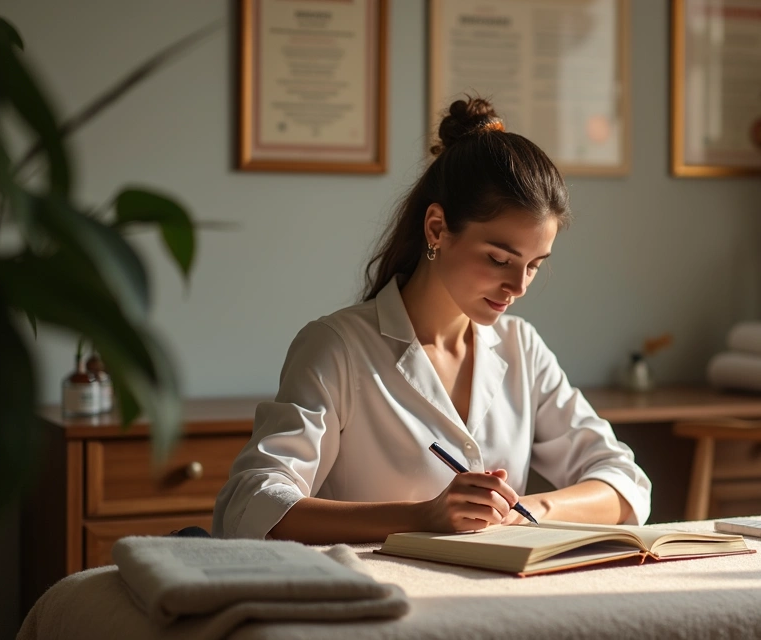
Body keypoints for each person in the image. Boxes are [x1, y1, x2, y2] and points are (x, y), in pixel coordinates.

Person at [213, 98, 652, 544]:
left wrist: (527, 511)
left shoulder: (522, 347)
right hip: (373, 599)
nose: (518, 285)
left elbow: (625, 482)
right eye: (499, 259)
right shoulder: (337, 347)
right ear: (437, 228)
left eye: (535, 264)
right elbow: (252, 504)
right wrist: (422, 516)